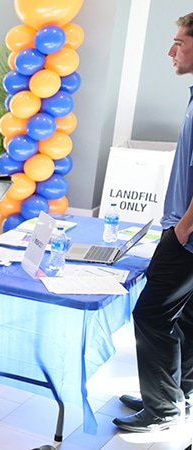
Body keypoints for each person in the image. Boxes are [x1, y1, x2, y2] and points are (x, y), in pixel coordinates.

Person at [114, 11, 193, 433]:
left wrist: (181, 231)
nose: (170, 51)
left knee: (151, 314)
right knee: (187, 317)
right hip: (184, 230)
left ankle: (162, 408)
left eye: (179, 42)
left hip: (187, 235)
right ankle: (177, 393)